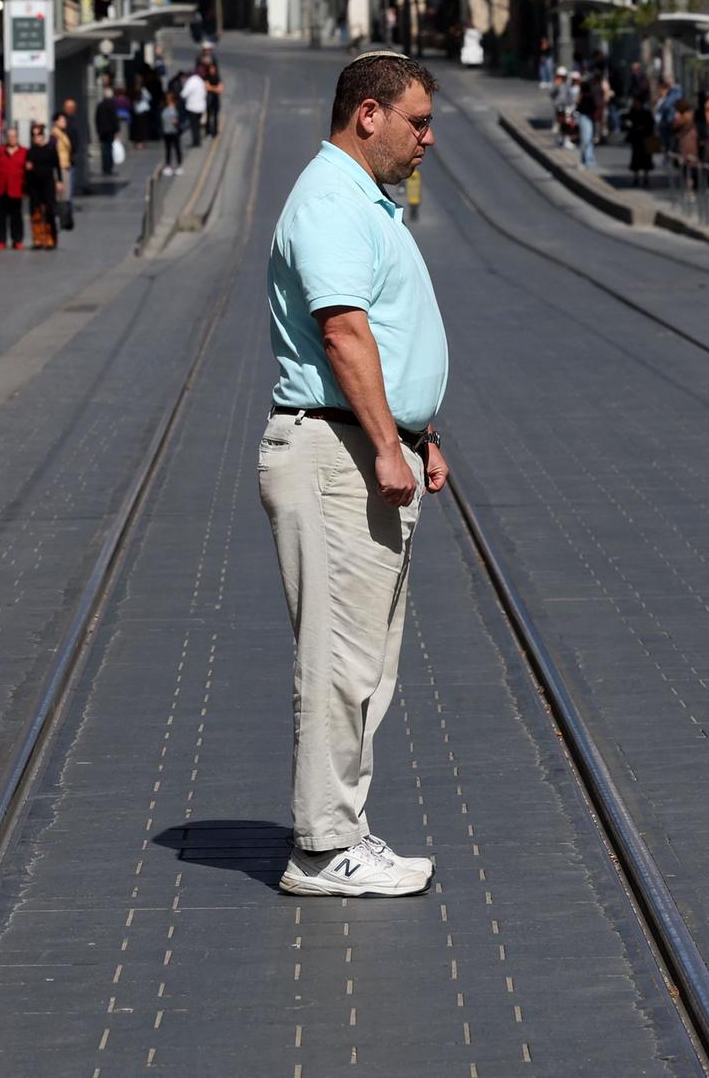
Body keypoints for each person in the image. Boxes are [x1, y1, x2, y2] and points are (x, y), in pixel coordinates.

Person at [260, 50, 449, 899]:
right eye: (417, 122)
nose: (427, 139)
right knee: (339, 661)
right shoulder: (333, 202)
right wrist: (384, 445)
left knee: (366, 663)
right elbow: (342, 334)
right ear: (366, 115)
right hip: (339, 453)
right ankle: (321, 846)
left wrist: (417, 433)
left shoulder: (364, 201)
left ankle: (340, 828)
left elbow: (385, 337)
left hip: (366, 445)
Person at [0, 126, 28, 248]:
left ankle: (17, 240)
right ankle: (1, 241)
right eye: (9, 136)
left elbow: (28, 168)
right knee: (0, 217)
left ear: (17, 137)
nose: (12, 139)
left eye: (14, 136)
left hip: (16, 189)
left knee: (17, 217)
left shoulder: (24, 152)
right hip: (1, 189)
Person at [25, 121, 62, 249]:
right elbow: (27, 169)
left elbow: (57, 166)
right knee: (35, 212)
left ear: (43, 136)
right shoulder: (30, 151)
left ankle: (50, 238)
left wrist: (59, 181)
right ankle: (38, 239)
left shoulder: (50, 149)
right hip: (34, 186)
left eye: (39, 135)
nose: (37, 138)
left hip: (48, 184)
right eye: (34, 135)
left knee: (49, 211)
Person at [51, 112, 75, 230]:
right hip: (59, 167)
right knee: (61, 195)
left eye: (65, 120)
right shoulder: (54, 136)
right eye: (62, 120)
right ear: (56, 122)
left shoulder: (62, 134)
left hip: (66, 165)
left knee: (66, 195)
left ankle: (65, 221)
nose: (64, 123)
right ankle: (61, 220)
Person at [626, 95, 656, 187]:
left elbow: (651, 125)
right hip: (637, 140)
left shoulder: (646, 113)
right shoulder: (633, 112)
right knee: (636, 159)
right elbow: (628, 123)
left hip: (646, 139)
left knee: (646, 159)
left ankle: (645, 177)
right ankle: (636, 177)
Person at [61, 97, 81, 213]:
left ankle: (67, 204)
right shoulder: (66, 123)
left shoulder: (72, 121)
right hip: (67, 159)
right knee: (68, 184)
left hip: (70, 158)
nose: (73, 110)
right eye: (71, 108)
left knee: (69, 183)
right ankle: (66, 205)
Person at [95, 86, 120, 175]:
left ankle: (105, 168)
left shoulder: (100, 105)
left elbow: (96, 118)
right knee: (109, 148)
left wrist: (98, 129)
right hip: (110, 130)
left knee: (104, 149)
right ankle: (108, 168)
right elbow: (114, 118)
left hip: (102, 131)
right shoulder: (112, 104)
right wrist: (117, 130)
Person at [181, 68, 208, 148]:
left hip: (193, 107)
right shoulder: (200, 81)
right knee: (197, 126)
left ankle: (196, 142)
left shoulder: (191, 81)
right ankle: (197, 141)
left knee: (194, 126)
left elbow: (184, 94)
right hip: (201, 107)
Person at [576, 75, 597, 168]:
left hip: (588, 118)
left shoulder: (589, 95)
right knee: (586, 140)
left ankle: (588, 160)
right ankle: (586, 160)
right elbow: (579, 107)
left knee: (587, 140)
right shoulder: (583, 96)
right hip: (585, 117)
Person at [160, 92, 182, 174]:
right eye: (168, 100)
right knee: (168, 150)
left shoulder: (177, 108)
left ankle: (179, 166)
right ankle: (168, 165)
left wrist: (177, 122)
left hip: (175, 132)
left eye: (170, 100)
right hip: (166, 132)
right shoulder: (163, 109)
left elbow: (181, 119)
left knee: (177, 149)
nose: (169, 102)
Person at [202, 58, 223, 138]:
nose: (212, 70)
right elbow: (206, 87)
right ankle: (208, 131)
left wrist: (211, 88)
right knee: (208, 115)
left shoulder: (217, 77)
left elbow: (220, 89)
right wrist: (215, 88)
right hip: (209, 99)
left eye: (213, 68)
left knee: (215, 116)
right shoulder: (207, 77)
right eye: (211, 68)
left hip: (215, 99)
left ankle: (215, 132)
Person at [130, 76, 152, 148]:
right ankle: (141, 142)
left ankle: (139, 142)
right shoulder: (142, 90)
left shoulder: (137, 90)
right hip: (141, 110)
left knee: (139, 128)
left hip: (138, 110)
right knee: (141, 128)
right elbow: (149, 98)